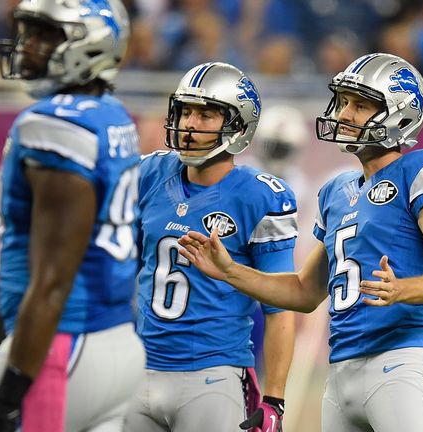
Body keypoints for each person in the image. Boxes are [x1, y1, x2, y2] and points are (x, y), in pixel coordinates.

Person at [178, 53, 423, 432]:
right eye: (346, 102)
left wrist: (404, 289)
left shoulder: (422, 171)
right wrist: (231, 271)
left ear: (398, 114)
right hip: (340, 374)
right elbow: (304, 292)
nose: (346, 114)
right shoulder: (337, 191)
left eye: (361, 105)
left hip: (399, 362)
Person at [0, 0, 145, 431]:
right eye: (29, 33)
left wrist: (5, 404)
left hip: (64, 346)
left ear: (88, 44)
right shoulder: (110, 114)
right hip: (117, 342)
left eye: (44, 35)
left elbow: (53, 282)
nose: (27, 46)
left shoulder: (54, 124)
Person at [125, 62, 297, 432]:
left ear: (238, 125)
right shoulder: (149, 174)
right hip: (140, 368)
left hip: (212, 374)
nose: (189, 123)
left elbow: (281, 305)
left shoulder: (259, 195)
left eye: (205, 115)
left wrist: (275, 399)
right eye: (186, 111)